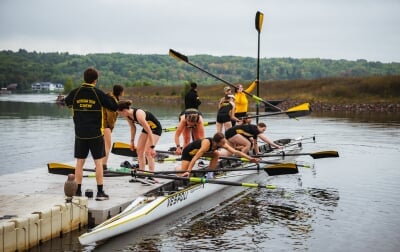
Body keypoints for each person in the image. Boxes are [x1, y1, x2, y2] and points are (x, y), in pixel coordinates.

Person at [64, 67, 117, 201]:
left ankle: (77, 191)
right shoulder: (98, 93)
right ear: (95, 80)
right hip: (95, 134)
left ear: (84, 78)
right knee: (98, 163)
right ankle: (100, 192)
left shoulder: (75, 93)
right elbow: (113, 106)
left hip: (80, 134)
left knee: (79, 163)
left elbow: (67, 102)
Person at [178, 132, 259, 177]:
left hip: (200, 152)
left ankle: (210, 174)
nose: (225, 144)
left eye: (224, 141)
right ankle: (179, 170)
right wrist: (188, 171)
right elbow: (195, 159)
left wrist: (250, 158)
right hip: (188, 153)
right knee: (183, 174)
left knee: (216, 154)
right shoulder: (206, 144)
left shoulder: (221, 143)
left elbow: (236, 152)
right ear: (216, 142)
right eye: (223, 142)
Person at [116, 100, 162, 173]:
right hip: (147, 128)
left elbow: (150, 131)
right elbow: (133, 127)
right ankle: (141, 172)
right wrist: (132, 142)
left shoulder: (139, 114)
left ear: (124, 110)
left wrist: (152, 147)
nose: (120, 115)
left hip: (155, 129)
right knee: (139, 151)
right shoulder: (128, 115)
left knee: (148, 152)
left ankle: (151, 174)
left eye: (119, 113)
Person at [102, 84, 124, 170]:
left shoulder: (110, 97)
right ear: (120, 92)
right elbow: (111, 115)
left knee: (103, 145)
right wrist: (110, 127)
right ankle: (103, 165)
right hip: (106, 125)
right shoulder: (111, 100)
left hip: (102, 124)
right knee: (107, 145)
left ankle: (101, 163)